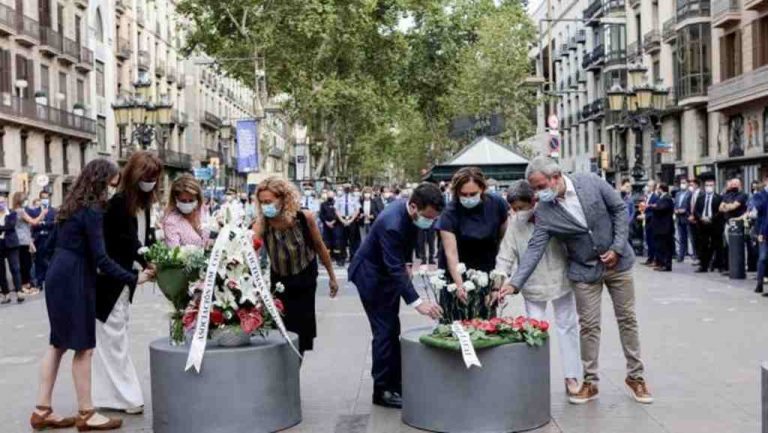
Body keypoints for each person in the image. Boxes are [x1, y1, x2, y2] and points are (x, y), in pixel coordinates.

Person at [500, 156, 653, 405]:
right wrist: (514, 283)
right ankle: (590, 382)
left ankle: (635, 377)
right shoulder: (546, 212)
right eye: (534, 189)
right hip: (584, 270)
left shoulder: (590, 182)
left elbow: (619, 210)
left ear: (557, 177)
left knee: (627, 320)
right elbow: (534, 249)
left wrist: (616, 247)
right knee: (588, 326)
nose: (538, 194)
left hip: (618, 264)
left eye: (541, 186)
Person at [31, 159, 154, 431]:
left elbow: (47, 248)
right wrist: (135, 277)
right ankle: (87, 413)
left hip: (57, 275)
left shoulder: (69, 206)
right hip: (76, 277)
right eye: (110, 185)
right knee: (84, 349)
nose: (111, 192)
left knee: (57, 344)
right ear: (100, 182)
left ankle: (42, 410)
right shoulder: (93, 211)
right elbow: (102, 259)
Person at [349, 182, 444, 409]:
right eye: (427, 217)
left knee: (392, 329)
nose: (430, 222)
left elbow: (409, 240)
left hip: (386, 273)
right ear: (413, 207)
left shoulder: (408, 213)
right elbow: (394, 269)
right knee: (385, 332)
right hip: (371, 277)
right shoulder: (391, 223)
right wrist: (418, 302)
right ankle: (382, 390)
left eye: (433, 218)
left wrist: (409, 262)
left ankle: (395, 383)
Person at [495, 180, 582, 396]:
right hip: (532, 284)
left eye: (521, 208)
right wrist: (498, 282)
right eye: (514, 209)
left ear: (533, 201)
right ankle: (535, 377)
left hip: (560, 279)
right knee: (534, 330)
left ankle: (572, 376)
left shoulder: (553, 215)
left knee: (568, 327)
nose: (518, 213)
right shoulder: (514, 224)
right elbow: (505, 255)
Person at [93, 150, 162, 415]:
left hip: (120, 282)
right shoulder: (120, 204)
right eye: (147, 177)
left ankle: (115, 396)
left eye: (154, 177)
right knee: (113, 339)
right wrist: (146, 264)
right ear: (134, 175)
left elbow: (145, 239)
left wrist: (151, 260)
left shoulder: (140, 205)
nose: (151, 182)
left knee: (113, 339)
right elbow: (128, 242)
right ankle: (127, 397)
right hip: (111, 282)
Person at [252, 177, 340, 353]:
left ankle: (294, 366)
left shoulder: (303, 218)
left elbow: (320, 247)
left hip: (305, 278)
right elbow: (251, 248)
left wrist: (332, 277)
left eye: (269, 201)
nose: (265, 206)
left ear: (283, 199)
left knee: (302, 331)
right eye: (262, 202)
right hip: (279, 281)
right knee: (282, 329)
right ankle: (286, 367)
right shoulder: (262, 223)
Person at [437, 167, 509, 308]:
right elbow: (451, 254)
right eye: (464, 194)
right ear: (456, 192)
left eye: (473, 194)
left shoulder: (497, 204)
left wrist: (497, 284)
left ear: (482, 189)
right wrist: (460, 285)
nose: (468, 198)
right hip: (457, 270)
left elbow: (504, 243)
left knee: (486, 321)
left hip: (487, 269)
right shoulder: (449, 213)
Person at [162, 174, 210, 248]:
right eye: (183, 201)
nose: (187, 203)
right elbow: (175, 253)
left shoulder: (202, 210)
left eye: (191, 200)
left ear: (197, 199)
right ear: (176, 199)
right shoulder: (171, 222)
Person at [13, 191, 44, 295]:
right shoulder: (21, 211)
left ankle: (24, 285)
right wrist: (42, 214)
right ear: (20, 200)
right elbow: (34, 222)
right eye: (25, 199)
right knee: (26, 264)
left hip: (20, 240)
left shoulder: (15, 210)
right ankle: (25, 285)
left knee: (23, 263)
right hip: (23, 241)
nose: (26, 201)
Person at [719, 178, 749, 274]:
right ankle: (733, 267)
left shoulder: (742, 195)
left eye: (735, 184)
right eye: (731, 184)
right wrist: (727, 207)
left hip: (739, 224)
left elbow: (733, 206)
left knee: (740, 246)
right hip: (728, 223)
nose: (733, 186)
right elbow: (720, 208)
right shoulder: (727, 194)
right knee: (730, 246)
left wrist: (727, 206)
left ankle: (742, 266)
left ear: (740, 184)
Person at [694, 178, 724, 273]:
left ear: (714, 186)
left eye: (711, 185)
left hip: (715, 224)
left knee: (717, 245)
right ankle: (703, 266)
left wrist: (711, 218)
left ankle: (720, 266)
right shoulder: (700, 198)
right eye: (707, 185)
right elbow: (696, 210)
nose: (709, 187)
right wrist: (701, 218)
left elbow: (720, 212)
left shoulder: (719, 198)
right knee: (703, 245)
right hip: (703, 224)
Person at [30, 191, 56, 291]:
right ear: (40, 199)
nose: (45, 199)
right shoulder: (35, 211)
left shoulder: (53, 211)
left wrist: (43, 223)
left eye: (46, 197)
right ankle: (39, 283)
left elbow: (54, 223)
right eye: (43, 197)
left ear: (49, 198)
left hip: (49, 238)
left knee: (49, 261)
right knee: (39, 261)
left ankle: (51, 281)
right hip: (39, 239)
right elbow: (34, 224)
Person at [0, 195, 23, 304]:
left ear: (6, 202)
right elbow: (6, 227)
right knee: (1, 271)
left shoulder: (12, 213)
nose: (1, 204)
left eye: (3, 202)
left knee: (15, 268)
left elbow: (10, 226)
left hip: (12, 244)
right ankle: (6, 294)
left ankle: (19, 291)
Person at [650, 183, 674, 272]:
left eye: (658, 188)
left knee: (666, 247)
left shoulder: (667, 198)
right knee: (660, 246)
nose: (657, 190)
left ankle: (666, 264)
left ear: (661, 189)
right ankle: (661, 263)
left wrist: (653, 206)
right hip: (660, 227)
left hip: (665, 227)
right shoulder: (661, 197)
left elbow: (663, 208)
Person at [335, 185, 361, 265]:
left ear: (350, 189)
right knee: (342, 240)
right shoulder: (339, 198)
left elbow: (357, 210)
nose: (347, 189)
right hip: (341, 220)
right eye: (345, 188)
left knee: (352, 240)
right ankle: (342, 258)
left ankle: (352, 258)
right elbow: (336, 210)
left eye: (348, 188)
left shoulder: (354, 198)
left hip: (351, 220)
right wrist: (342, 220)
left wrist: (350, 220)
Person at [753, 175, 768, 293]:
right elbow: (759, 209)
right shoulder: (759, 195)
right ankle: (759, 283)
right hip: (764, 231)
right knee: (763, 258)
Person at [674, 178, 692, 262]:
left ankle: (694, 255)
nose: (682, 184)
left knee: (691, 237)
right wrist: (676, 210)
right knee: (681, 238)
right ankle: (681, 256)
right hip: (679, 217)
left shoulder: (690, 193)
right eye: (681, 183)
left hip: (687, 217)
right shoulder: (678, 194)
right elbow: (675, 204)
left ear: (688, 184)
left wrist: (685, 210)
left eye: (684, 182)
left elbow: (691, 205)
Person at [641, 180, 658, 266]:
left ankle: (654, 258)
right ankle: (650, 258)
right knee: (648, 240)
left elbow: (654, 210)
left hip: (652, 221)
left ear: (653, 187)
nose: (647, 187)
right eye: (647, 185)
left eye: (649, 186)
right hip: (647, 221)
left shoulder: (655, 197)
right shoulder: (647, 196)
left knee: (652, 241)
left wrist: (646, 216)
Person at [688, 178, 702, 264]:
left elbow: (701, 207)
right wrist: (689, 215)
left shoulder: (701, 194)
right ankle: (696, 256)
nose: (690, 186)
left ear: (696, 185)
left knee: (699, 239)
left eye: (692, 185)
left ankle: (701, 258)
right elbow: (687, 206)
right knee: (694, 240)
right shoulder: (691, 194)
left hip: (698, 220)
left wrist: (696, 217)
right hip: (690, 219)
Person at [320, 190, 338, 258]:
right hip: (326, 225)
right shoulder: (323, 204)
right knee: (327, 241)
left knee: (336, 241)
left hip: (336, 225)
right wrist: (326, 222)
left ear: (334, 195)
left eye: (331, 194)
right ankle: (328, 256)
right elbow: (321, 214)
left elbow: (338, 213)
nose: (330, 196)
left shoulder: (336, 203)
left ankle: (336, 256)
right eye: (329, 194)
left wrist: (334, 221)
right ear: (327, 195)